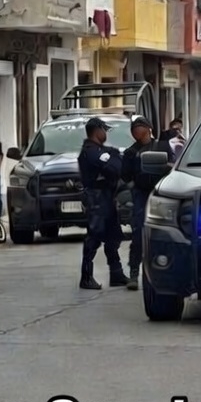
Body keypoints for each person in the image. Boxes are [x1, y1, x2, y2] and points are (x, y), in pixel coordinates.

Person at [120, 117, 173, 291]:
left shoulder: (162, 147)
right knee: (138, 235)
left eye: (140, 127)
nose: (137, 131)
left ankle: (166, 270)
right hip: (141, 195)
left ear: (149, 129)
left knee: (165, 232)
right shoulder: (130, 152)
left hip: (160, 193)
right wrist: (133, 189)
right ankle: (134, 272)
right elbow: (125, 176)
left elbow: (172, 167)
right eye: (134, 128)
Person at [76, 117, 127, 290]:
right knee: (94, 236)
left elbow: (119, 166)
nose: (105, 133)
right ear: (96, 130)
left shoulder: (101, 150)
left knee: (113, 236)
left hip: (107, 196)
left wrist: (113, 156)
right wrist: (113, 157)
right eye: (104, 129)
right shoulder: (90, 151)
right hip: (96, 198)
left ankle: (117, 273)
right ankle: (86, 276)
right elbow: (114, 168)